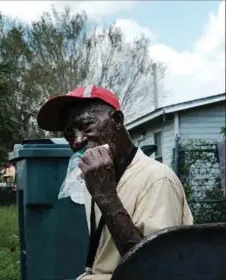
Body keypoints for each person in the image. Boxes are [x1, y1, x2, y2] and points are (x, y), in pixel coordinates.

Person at [36, 85, 193, 280]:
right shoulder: (97, 176)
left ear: (117, 120)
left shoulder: (157, 179)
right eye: (69, 135)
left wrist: (106, 196)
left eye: (86, 126)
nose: (76, 141)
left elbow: (155, 270)